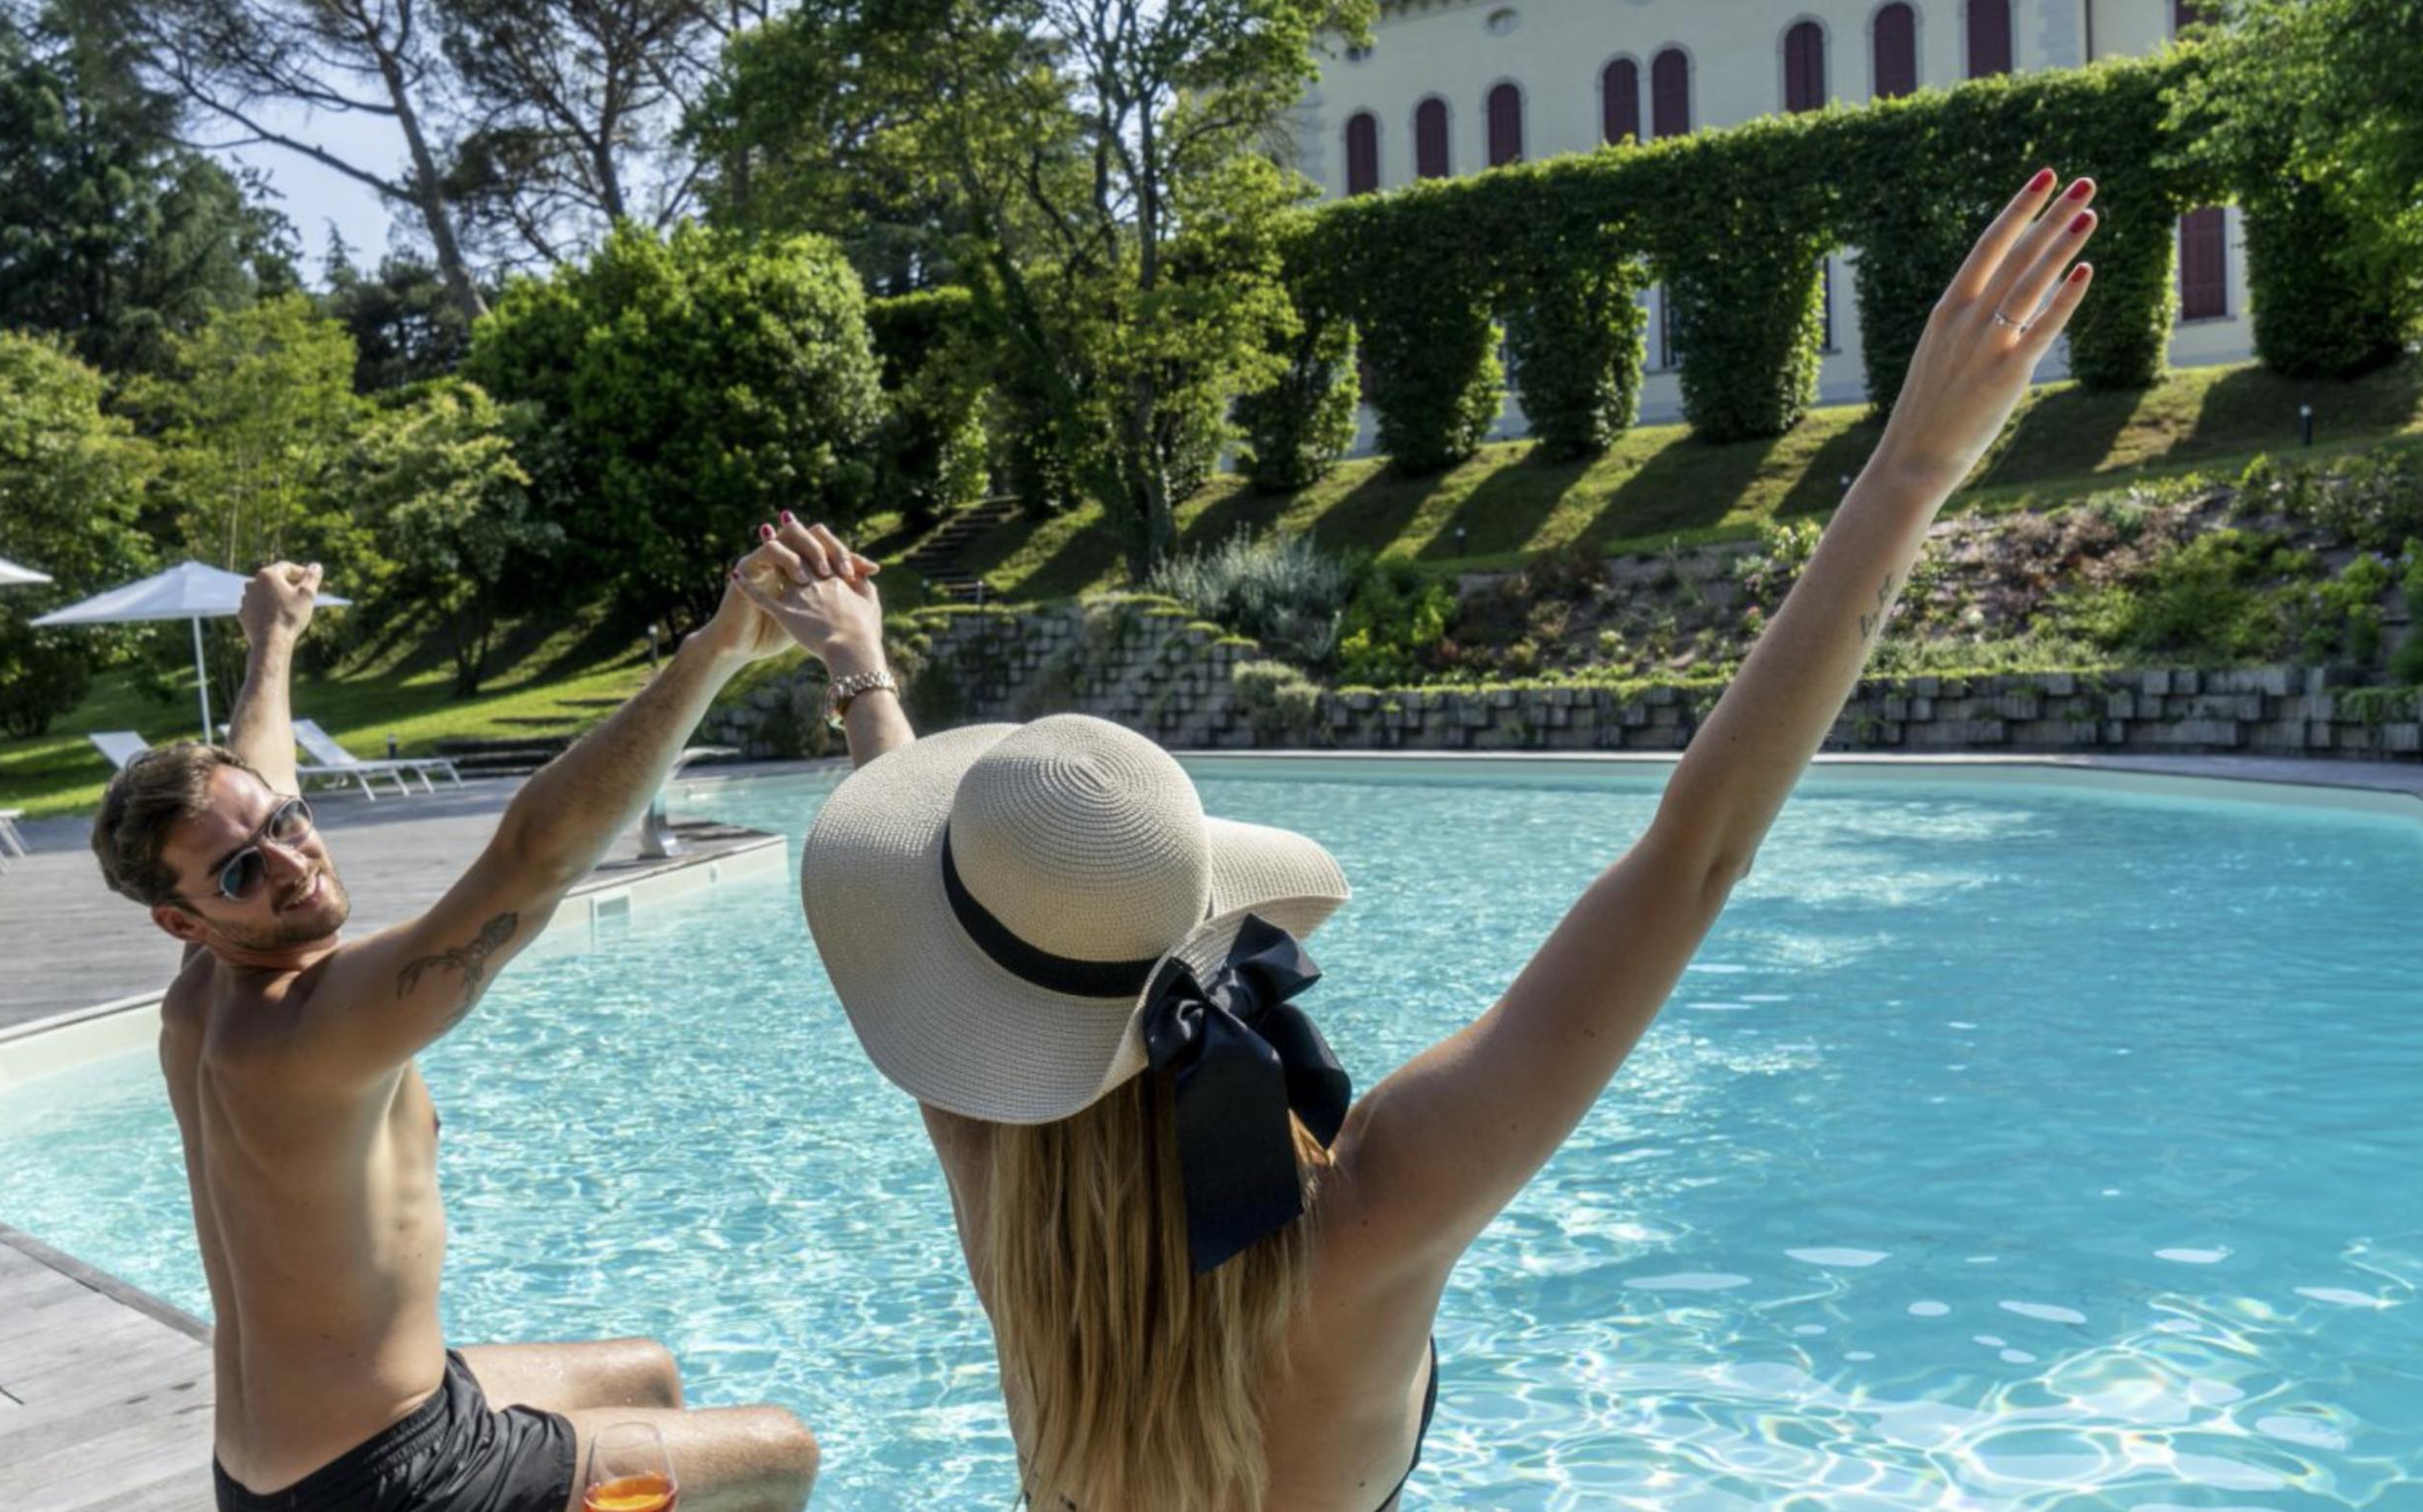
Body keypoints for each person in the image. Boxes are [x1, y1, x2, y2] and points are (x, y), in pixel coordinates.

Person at [745, 170, 2105, 1511]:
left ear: (973, 1012)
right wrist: (1912, 469)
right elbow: (1695, 854)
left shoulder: (1000, 1194)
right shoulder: (1373, 1216)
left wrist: (862, 670)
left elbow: (956, 925)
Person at [89, 555, 826, 1512]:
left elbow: (258, 777)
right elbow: (532, 859)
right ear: (181, 921)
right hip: (394, 1481)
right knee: (781, 1451)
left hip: (279, 1469)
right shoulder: (311, 1027)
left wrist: (272, 638)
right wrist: (714, 649)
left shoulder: (203, 993)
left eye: (289, 824)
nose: (292, 864)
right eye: (241, 873)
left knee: (644, 1375)